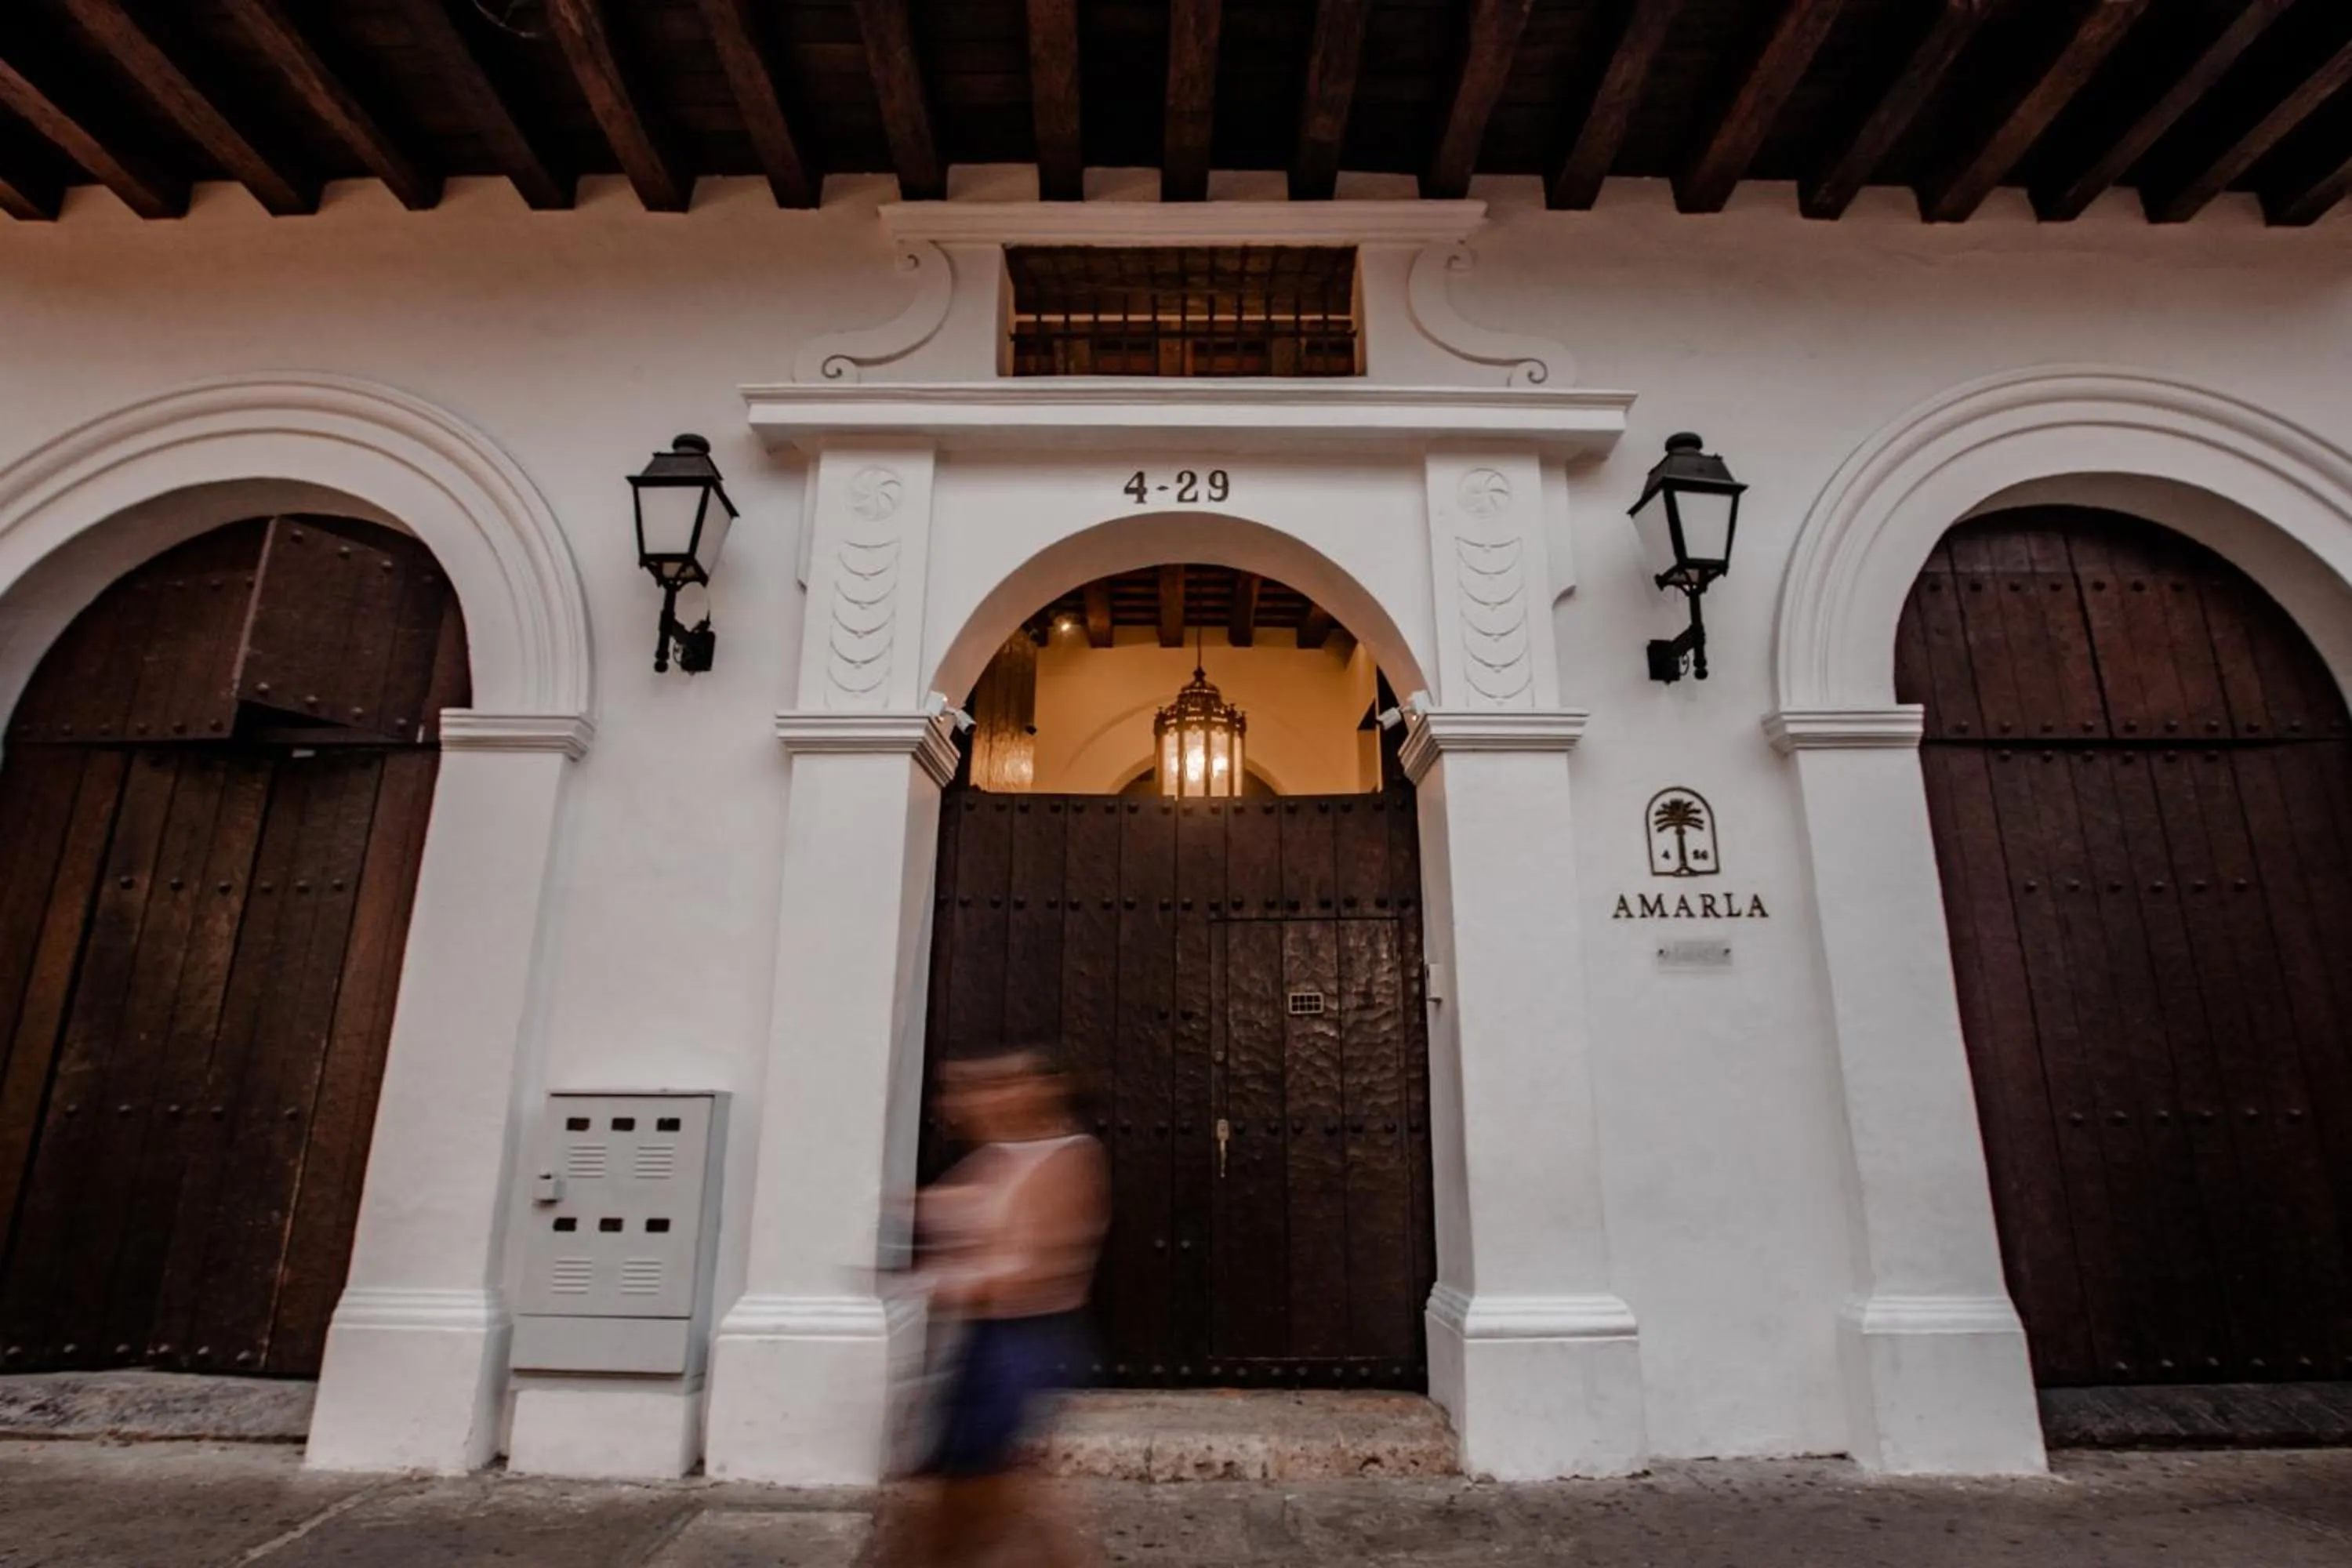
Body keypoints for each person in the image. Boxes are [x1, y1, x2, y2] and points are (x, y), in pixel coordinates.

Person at [872, 1049, 1109, 1568]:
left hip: (1026, 1343)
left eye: (994, 1085)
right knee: (991, 1482)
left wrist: (938, 1282)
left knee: (979, 1483)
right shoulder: (995, 1158)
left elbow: (1037, 1268)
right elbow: (953, 1220)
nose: (969, 1099)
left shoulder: (1066, 1158)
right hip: (984, 1340)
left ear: (1037, 1091)